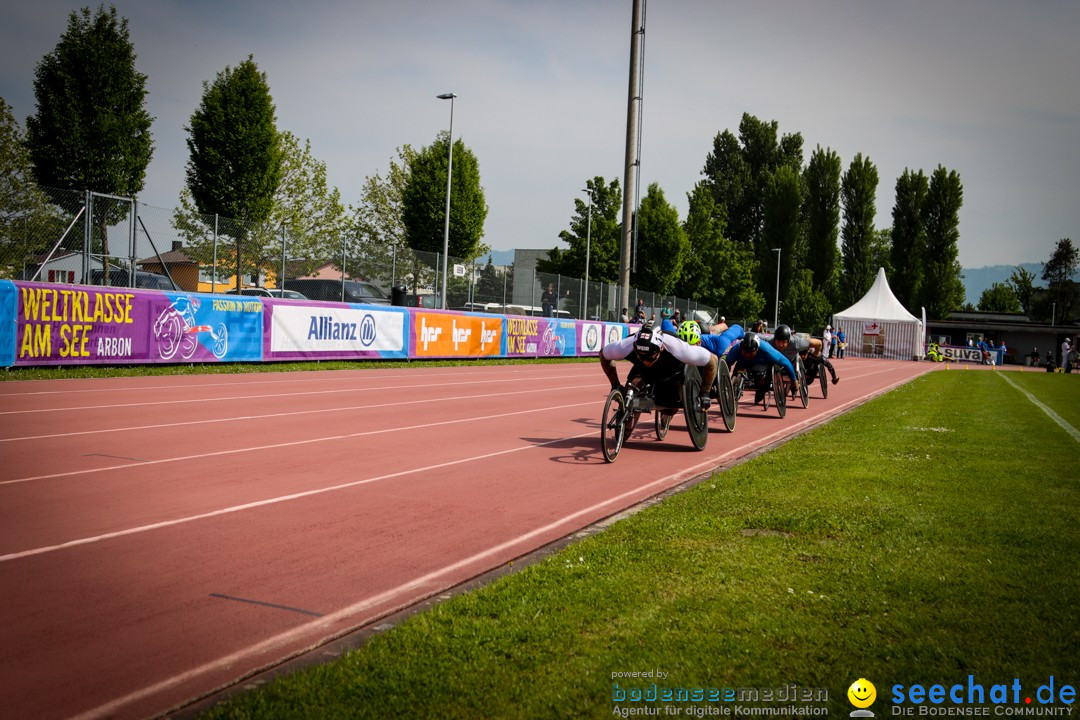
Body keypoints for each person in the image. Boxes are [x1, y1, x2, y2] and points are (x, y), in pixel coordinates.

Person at [600, 321, 718, 412]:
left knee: (670, 410)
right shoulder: (625, 346)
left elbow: (713, 360)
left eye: (650, 357)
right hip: (642, 371)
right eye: (642, 356)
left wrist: (704, 393)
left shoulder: (680, 349)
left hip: (671, 371)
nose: (646, 361)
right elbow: (603, 355)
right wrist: (615, 385)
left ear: (661, 348)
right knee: (634, 386)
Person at [724, 331, 797, 406]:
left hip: (761, 364)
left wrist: (794, 380)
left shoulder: (767, 350)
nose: (748, 355)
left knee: (761, 380)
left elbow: (786, 362)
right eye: (745, 352)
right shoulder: (736, 349)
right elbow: (726, 366)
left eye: (750, 352)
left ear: (756, 349)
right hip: (742, 363)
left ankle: (761, 392)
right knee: (736, 372)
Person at [771, 324, 840, 389]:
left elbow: (829, 365)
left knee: (823, 360)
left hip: (811, 372)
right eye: (801, 355)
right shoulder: (797, 355)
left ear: (807, 352)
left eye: (804, 355)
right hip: (803, 376)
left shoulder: (812, 354)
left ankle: (833, 377)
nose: (802, 356)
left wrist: (834, 378)